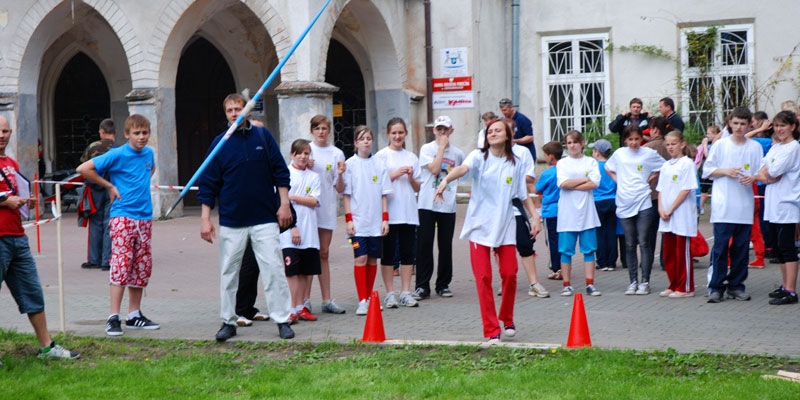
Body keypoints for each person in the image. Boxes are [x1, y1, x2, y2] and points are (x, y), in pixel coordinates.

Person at [197, 93, 295, 341]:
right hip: (232, 220)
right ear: (225, 113)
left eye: (237, 108)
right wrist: (205, 219)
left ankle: (282, 320)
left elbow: (280, 173)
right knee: (229, 273)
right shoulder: (219, 144)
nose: (233, 113)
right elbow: (208, 184)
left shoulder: (263, 137)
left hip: (264, 217)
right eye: (229, 110)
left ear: (246, 110)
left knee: (273, 269)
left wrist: (284, 204)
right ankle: (228, 321)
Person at [435, 118, 540, 343]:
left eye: (497, 130)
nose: (492, 133)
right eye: (489, 131)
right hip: (479, 226)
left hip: (505, 224)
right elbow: (463, 169)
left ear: (507, 135)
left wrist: (535, 217)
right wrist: (446, 180)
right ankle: (492, 329)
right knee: (483, 277)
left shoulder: (516, 161)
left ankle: (507, 316)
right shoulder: (478, 157)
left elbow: (522, 193)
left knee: (510, 273)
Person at [0, 115, 80, 360]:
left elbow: (11, 194)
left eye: (5, 131)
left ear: (11, 132)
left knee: (32, 292)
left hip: (17, 237)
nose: (1, 136)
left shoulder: (11, 163)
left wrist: (23, 201)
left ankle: (46, 348)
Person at [77, 114, 160, 337]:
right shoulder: (117, 154)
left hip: (144, 218)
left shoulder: (149, 154)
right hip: (123, 216)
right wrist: (110, 186)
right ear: (126, 134)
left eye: (145, 133)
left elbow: (149, 170)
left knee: (141, 267)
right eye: (137, 133)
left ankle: (134, 314)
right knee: (121, 265)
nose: (142, 137)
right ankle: (113, 317)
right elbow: (83, 169)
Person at [701, 107, 763, 303]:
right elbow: (707, 171)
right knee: (720, 248)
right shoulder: (720, 145)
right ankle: (716, 286)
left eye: (743, 124)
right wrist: (725, 171)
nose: (739, 127)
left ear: (749, 125)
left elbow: (761, 172)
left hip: (744, 205)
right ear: (730, 123)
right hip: (723, 204)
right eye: (735, 123)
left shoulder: (755, 147)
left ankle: (736, 285)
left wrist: (753, 177)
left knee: (741, 248)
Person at [605, 124, 664, 296]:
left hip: (643, 200)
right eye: (630, 139)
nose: (633, 142)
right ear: (625, 140)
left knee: (644, 241)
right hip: (624, 201)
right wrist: (618, 181)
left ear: (641, 139)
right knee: (630, 243)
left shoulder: (648, 153)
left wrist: (650, 179)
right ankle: (633, 281)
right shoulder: (619, 154)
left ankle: (645, 281)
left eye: (637, 139)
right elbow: (608, 168)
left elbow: (663, 166)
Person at [414, 115, 464, 299]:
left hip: (447, 204)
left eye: (445, 129)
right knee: (424, 245)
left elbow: (462, 174)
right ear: (434, 130)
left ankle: (443, 283)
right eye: (439, 129)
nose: (442, 132)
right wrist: (441, 148)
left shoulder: (458, 153)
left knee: (445, 245)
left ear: (451, 130)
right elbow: (434, 169)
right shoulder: (427, 148)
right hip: (427, 202)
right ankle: (422, 285)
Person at [343, 125, 392, 315]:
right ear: (355, 143)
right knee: (360, 257)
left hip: (375, 222)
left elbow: (384, 195)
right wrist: (349, 219)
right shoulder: (350, 165)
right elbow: (346, 195)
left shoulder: (379, 164)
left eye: (369, 138)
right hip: (358, 221)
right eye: (362, 138)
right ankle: (362, 300)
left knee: (372, 260)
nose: (366, 142)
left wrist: (385, 219)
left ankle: (370, 297)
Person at [375, 118, 421, 308]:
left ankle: (405, 291)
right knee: (387, 254)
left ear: (406, 134)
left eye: (401, 132)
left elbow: (418, 187)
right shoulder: (381, 156)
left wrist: (410, 177)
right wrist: (394, 174)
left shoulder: (411, 157)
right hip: (389, 213)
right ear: (388, 134)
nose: (397, 136)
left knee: (407, 253)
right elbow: (376, 185)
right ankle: (389, 293)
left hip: (408, 211)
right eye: (394, 133)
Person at [756, 111, 800, 305]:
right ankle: (784, 285)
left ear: (792, 127)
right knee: (779, 249)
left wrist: (767, 174)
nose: (780, 129)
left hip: (786, 205)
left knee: (787, 248)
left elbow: (773, 171)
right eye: (777, 126)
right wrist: (766, 175)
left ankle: (791, 290)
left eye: (783, 125)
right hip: (773, 204)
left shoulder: (793, 148)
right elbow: (763, 168)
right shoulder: (776, 147)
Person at [306, 115, 347, 314]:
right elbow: (295, 172)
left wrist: (340, 174)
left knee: (323, 252)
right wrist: (305, 164)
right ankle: (304, 299)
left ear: (329, 130)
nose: (321, 132)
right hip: (307, 209)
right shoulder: (306, 150)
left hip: (327, 208)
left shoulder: (337, 153)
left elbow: (340, 188)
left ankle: (326, 299)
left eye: (324, 128)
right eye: (317, 128)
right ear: (312, 131)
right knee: (308, 253)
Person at [556, 130, 602, 297]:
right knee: (566, 250)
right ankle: (567, 284)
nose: (572, 145)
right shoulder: (562, 163)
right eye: (569, 143)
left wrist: (573, 184)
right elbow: (563, 183)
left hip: (587, 213)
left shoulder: (590, 162)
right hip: (567, 214)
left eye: (575, 142)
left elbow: (595, 183)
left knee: (589, 249)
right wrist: (584, 179)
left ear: (582, 143)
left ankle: (590, 283)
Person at [281, 139, 322, 322]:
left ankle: (301, 306)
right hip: (289, 232)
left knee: (306, 271)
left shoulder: (313, 177)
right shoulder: (285, 175)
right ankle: (291, 308)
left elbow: (314, 201)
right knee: (292, 271)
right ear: (292, 155)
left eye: (307, 153)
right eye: (300, 153)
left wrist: (292, 197)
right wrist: (292, 227)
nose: (303, 157)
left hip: (310, 231)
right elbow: (282, 203)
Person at [656, 130, 699, 298]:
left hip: (681, 214)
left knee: (682, 252)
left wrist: (671, 208)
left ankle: (685, 286)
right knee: (669, 253)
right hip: (666, 215)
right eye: (668, 144)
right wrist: (661, 208)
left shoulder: (686, 163)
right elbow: (660, 190)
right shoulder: (666, 165)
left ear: (682, 144)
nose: (670, 147)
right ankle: (673, 283)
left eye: (673, 144)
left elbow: (686, 188)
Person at [79, 118, 116, 270]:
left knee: (95, 223)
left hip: (94, 189)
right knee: (109, 223)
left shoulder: (93, 147)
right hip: (113, 188)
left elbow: (83, 166)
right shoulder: (120, 148)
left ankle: (94, 259)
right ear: (115, 132)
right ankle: (107, 261)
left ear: (102, 131)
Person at [588, 139, 618, 271]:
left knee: (599, 232)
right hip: (612, 200)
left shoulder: (594, 167)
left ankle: (602, 261)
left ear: (597, 152)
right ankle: (612, 261)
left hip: (597, 200)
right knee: (611, 231)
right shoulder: (612, 167)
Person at [535, 141, 563, 280]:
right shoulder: (565, 169)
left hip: (551, 210)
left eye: (545, 155)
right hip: (564, 209)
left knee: (552, 240)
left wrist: (527, 184)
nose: (544, 158)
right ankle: (564, 265)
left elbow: (537, 189)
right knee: (563, 238)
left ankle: (556, 267)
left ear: (551, 156)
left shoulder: (548, 173)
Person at [696, 125, 721, 214]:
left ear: (715, 134)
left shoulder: (715, 145)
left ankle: (701, 207)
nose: (707, 136)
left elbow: (707, 155)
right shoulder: (713, 144)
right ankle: (701, 207)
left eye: (709, 134)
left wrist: (705, 145)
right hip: (710, 171)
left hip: (714, 171)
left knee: (706, 189)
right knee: (705, 189)